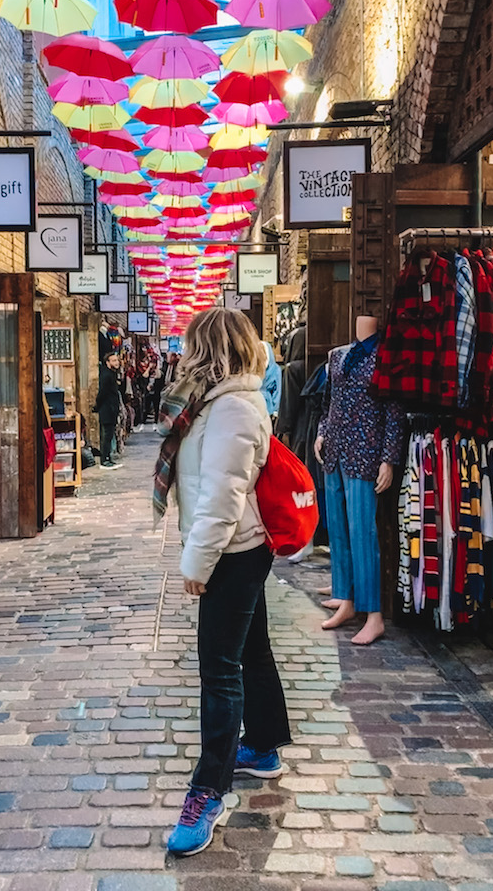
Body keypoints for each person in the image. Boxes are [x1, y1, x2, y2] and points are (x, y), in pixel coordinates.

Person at [153, 307, 291, 857]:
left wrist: (196, 565)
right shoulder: (217, 401)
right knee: (250, 651)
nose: (184, 354)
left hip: (232, 552)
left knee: (219, 670)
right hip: (239, 548)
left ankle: (207, 791)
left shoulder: (232, 407)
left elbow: (222, 497)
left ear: (208, 349)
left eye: (191, 345)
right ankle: (262, 745)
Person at [314, 315, 404, 645]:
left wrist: (388, 458)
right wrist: (322, 433)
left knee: (362, 532)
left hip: (366, 451)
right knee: (337, 528)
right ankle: (346, 599)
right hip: (335, 449)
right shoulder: (338, 355)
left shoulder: (385, 358)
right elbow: (328, 403)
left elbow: (394, 412)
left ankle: (373, 613)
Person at [95, 352, 122, 469]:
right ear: (108, 362)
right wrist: (97, 406)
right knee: (106, 435)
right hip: (107, 409)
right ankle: (104, 460)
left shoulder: (111, 374)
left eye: (117, 360)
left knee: (109, 435)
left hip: (110, 409)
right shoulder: (106, 375)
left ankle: (107, 458)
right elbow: (102, 393)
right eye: (113, 361)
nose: (116, 362)